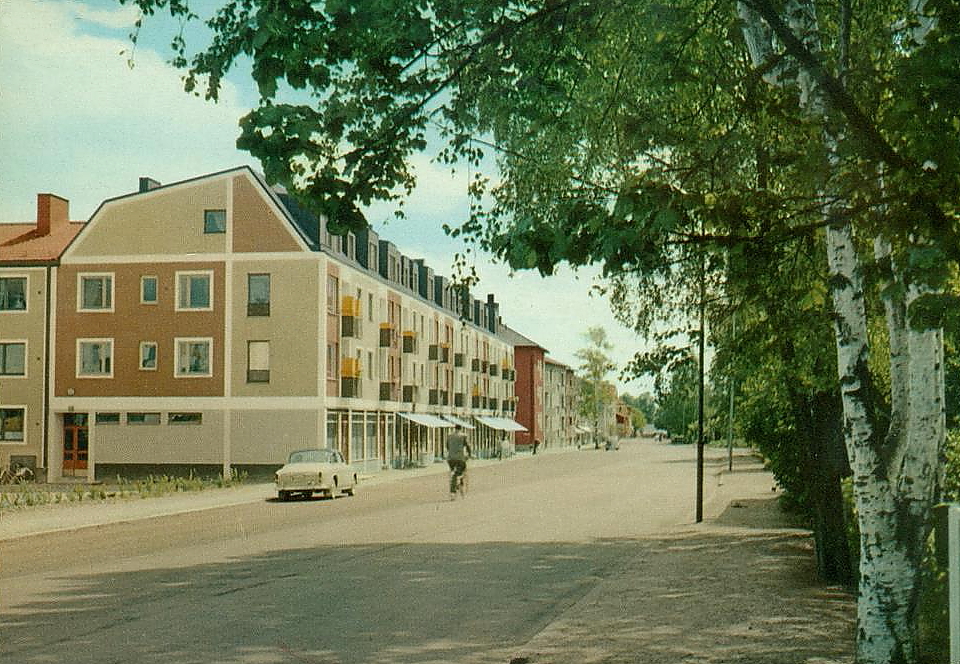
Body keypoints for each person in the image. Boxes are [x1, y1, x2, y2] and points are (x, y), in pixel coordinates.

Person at [446, 424, 471, 497]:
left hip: (450, 459)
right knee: (461, 472)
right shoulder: (463, 436)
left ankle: (458, 483)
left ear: (455, 428)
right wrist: (469, 454)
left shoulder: (449, 436)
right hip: (460, 458)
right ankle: (455, 489)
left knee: (454, 472)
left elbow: (447, 446)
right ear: (461, 429)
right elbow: (468, 446)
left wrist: (451, 452)